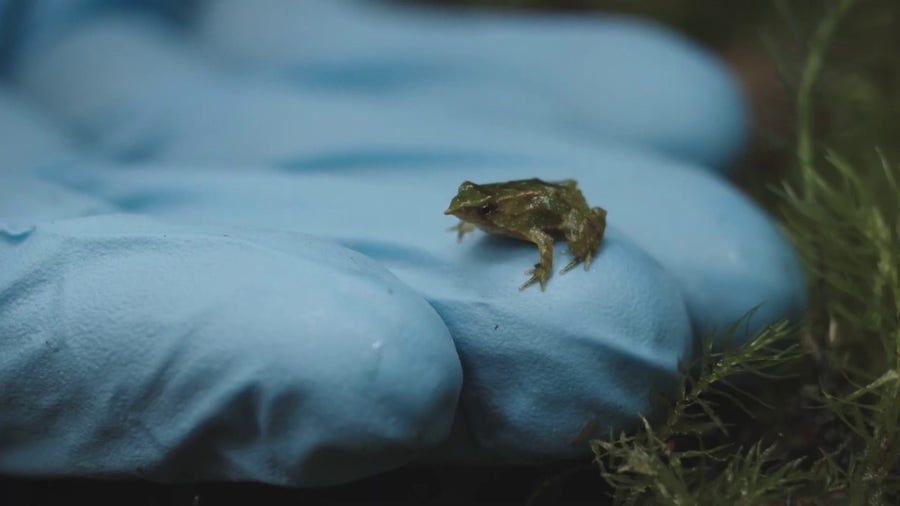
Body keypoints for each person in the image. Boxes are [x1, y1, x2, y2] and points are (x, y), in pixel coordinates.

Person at [0, 0, 805, 487]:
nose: (469, 221)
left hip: (107, 30)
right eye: (471, 215)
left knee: (629, 274)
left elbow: (553, 232)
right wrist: (476, 218)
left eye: (476, 215)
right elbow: (475, 208)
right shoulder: (483, 212)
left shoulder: (528, 223)